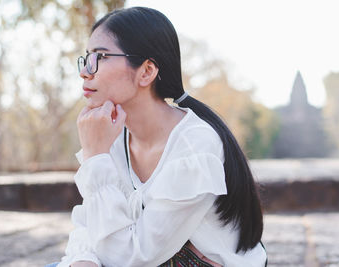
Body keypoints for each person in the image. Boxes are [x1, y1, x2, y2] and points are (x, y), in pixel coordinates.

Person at [52, 6, 267, 267]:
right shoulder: (111, 137)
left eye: (101, 56)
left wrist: (96, 158)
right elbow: (89, 224)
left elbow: (134, 257)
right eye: (87, 57)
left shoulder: (194, 146)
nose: (86, 70)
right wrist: (83, 260)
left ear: (146, 72)